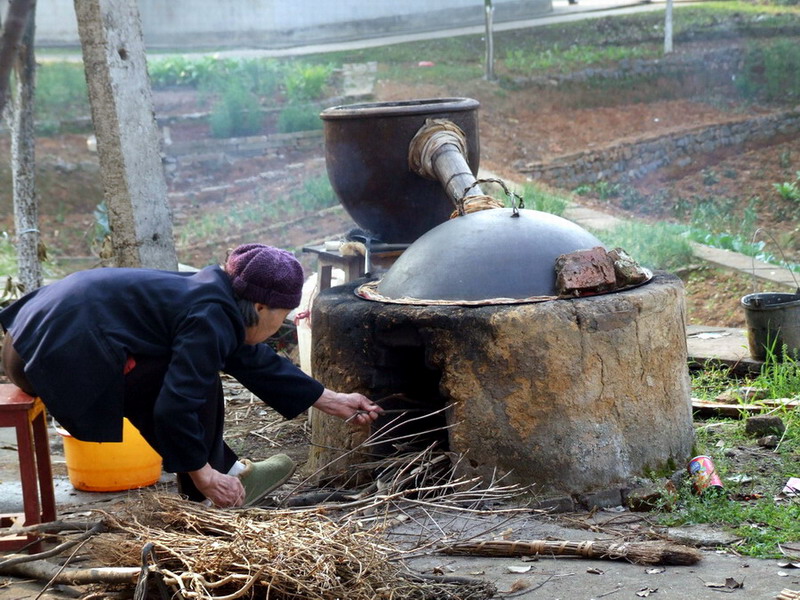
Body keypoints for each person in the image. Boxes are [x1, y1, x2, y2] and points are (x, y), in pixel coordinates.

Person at [0, 243, 381, 508]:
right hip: (48, 356)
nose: (279, 326)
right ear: (261, 306)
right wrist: (202, 473)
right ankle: (217, 485)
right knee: (183, 384)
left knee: (190, 374)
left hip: (27, 340)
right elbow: (176, 406)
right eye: (281, 317)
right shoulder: (209, 318)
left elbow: (249, 357)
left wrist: (330, 399)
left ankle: (224, 475)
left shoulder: (216, 300)